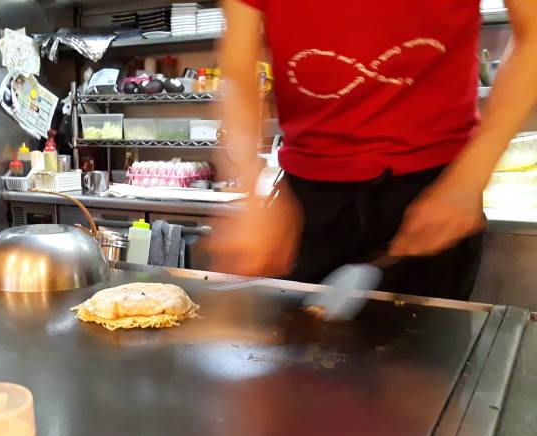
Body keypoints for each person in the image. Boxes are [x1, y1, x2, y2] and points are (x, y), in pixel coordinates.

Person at [215, 0, 537, 300]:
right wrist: (250, 193)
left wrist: (469, 180)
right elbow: (239, 73)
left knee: (426, 352)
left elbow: (532, 32)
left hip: (437, 188)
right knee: (295, 351)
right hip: (306, 199)